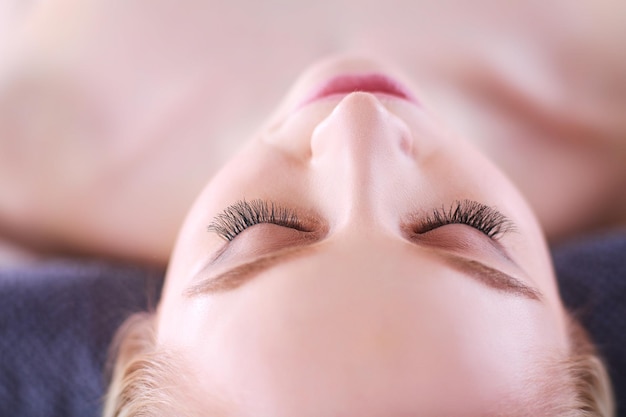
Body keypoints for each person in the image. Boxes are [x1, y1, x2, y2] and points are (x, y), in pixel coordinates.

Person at [103, 56, 614, 416]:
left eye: (258, 229)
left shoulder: (42, 146)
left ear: (142, 349)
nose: (358, 116)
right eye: (464, 228)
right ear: (571, 332)